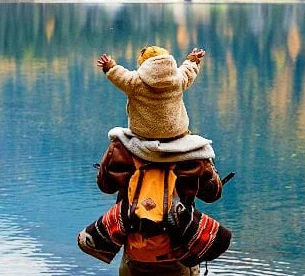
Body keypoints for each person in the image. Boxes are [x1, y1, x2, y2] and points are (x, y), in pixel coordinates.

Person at [77, 46, 232, 274]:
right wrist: (192, 60)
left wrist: (110, 66)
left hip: (136, 254)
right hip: (179, 254)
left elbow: (105, 186)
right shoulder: (192, 154)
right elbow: (212, 194)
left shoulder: (123, 148)